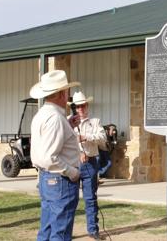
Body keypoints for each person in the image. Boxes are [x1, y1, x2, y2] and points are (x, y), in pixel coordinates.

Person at [30, 70, 81, 241]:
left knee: (47, 229)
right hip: (60, 180)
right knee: (60, 232)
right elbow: (49, 156)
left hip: (48, 179)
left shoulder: (44, 115)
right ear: (61, 93)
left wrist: (67, 124)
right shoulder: (55, 118)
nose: (68, 94)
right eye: (66, 90)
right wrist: (72, 172)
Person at [69, 91, 106, 240]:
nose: (81, 109)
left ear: (87, 106)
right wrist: (78, 153)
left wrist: (86, 137)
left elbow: (102, 138)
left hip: (90, 163)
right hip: (73, 163)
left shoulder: (95, 122)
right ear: (75, 108)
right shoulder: (68, 122)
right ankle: (66, 231)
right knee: (70, 200)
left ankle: (93, 230)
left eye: (83, 105)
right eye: (78, 106)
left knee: (90, 199)